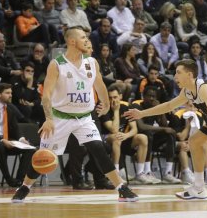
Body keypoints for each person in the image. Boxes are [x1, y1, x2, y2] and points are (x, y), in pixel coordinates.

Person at [11, 27, 138, 203]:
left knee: (99, 149)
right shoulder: (57, 65)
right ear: (72, 41)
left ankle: (121, 187)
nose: (87, 40)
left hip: (85, 117)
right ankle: (24, 187)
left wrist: (106, 104)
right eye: (83, 37)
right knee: (44, 155)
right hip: (60, 117)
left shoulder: (92, 62)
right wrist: (48, 119)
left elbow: (99, 84)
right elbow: (46, 95)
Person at [124, 59, 207, 203]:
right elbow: (169, 105)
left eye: (178, 73)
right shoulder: (187, 92)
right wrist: (142, 114)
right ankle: (198, 187)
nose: (175, 77)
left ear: (190, 75)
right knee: (194, 141)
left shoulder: (204, 88)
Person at [0, 83, 35, 187]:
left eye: (11, 93)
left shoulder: (10, 108)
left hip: (6, 140)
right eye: (7, 93)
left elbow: (15, 127)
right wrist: (2, 140)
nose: (10, 95)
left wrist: (21, 139)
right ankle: (9, 179)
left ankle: (19, 179)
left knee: (30, 149)